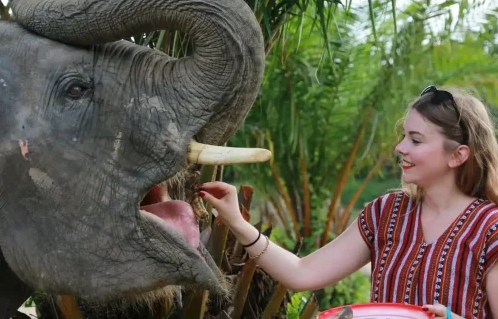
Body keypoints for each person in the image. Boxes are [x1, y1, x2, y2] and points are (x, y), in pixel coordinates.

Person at [197, 85, 498, 319]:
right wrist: (237, 223)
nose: (400, 147)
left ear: (457, 155)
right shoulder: (386, 213)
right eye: (403, 136)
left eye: (416, 140)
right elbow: (303, 273)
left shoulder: (490, 229)